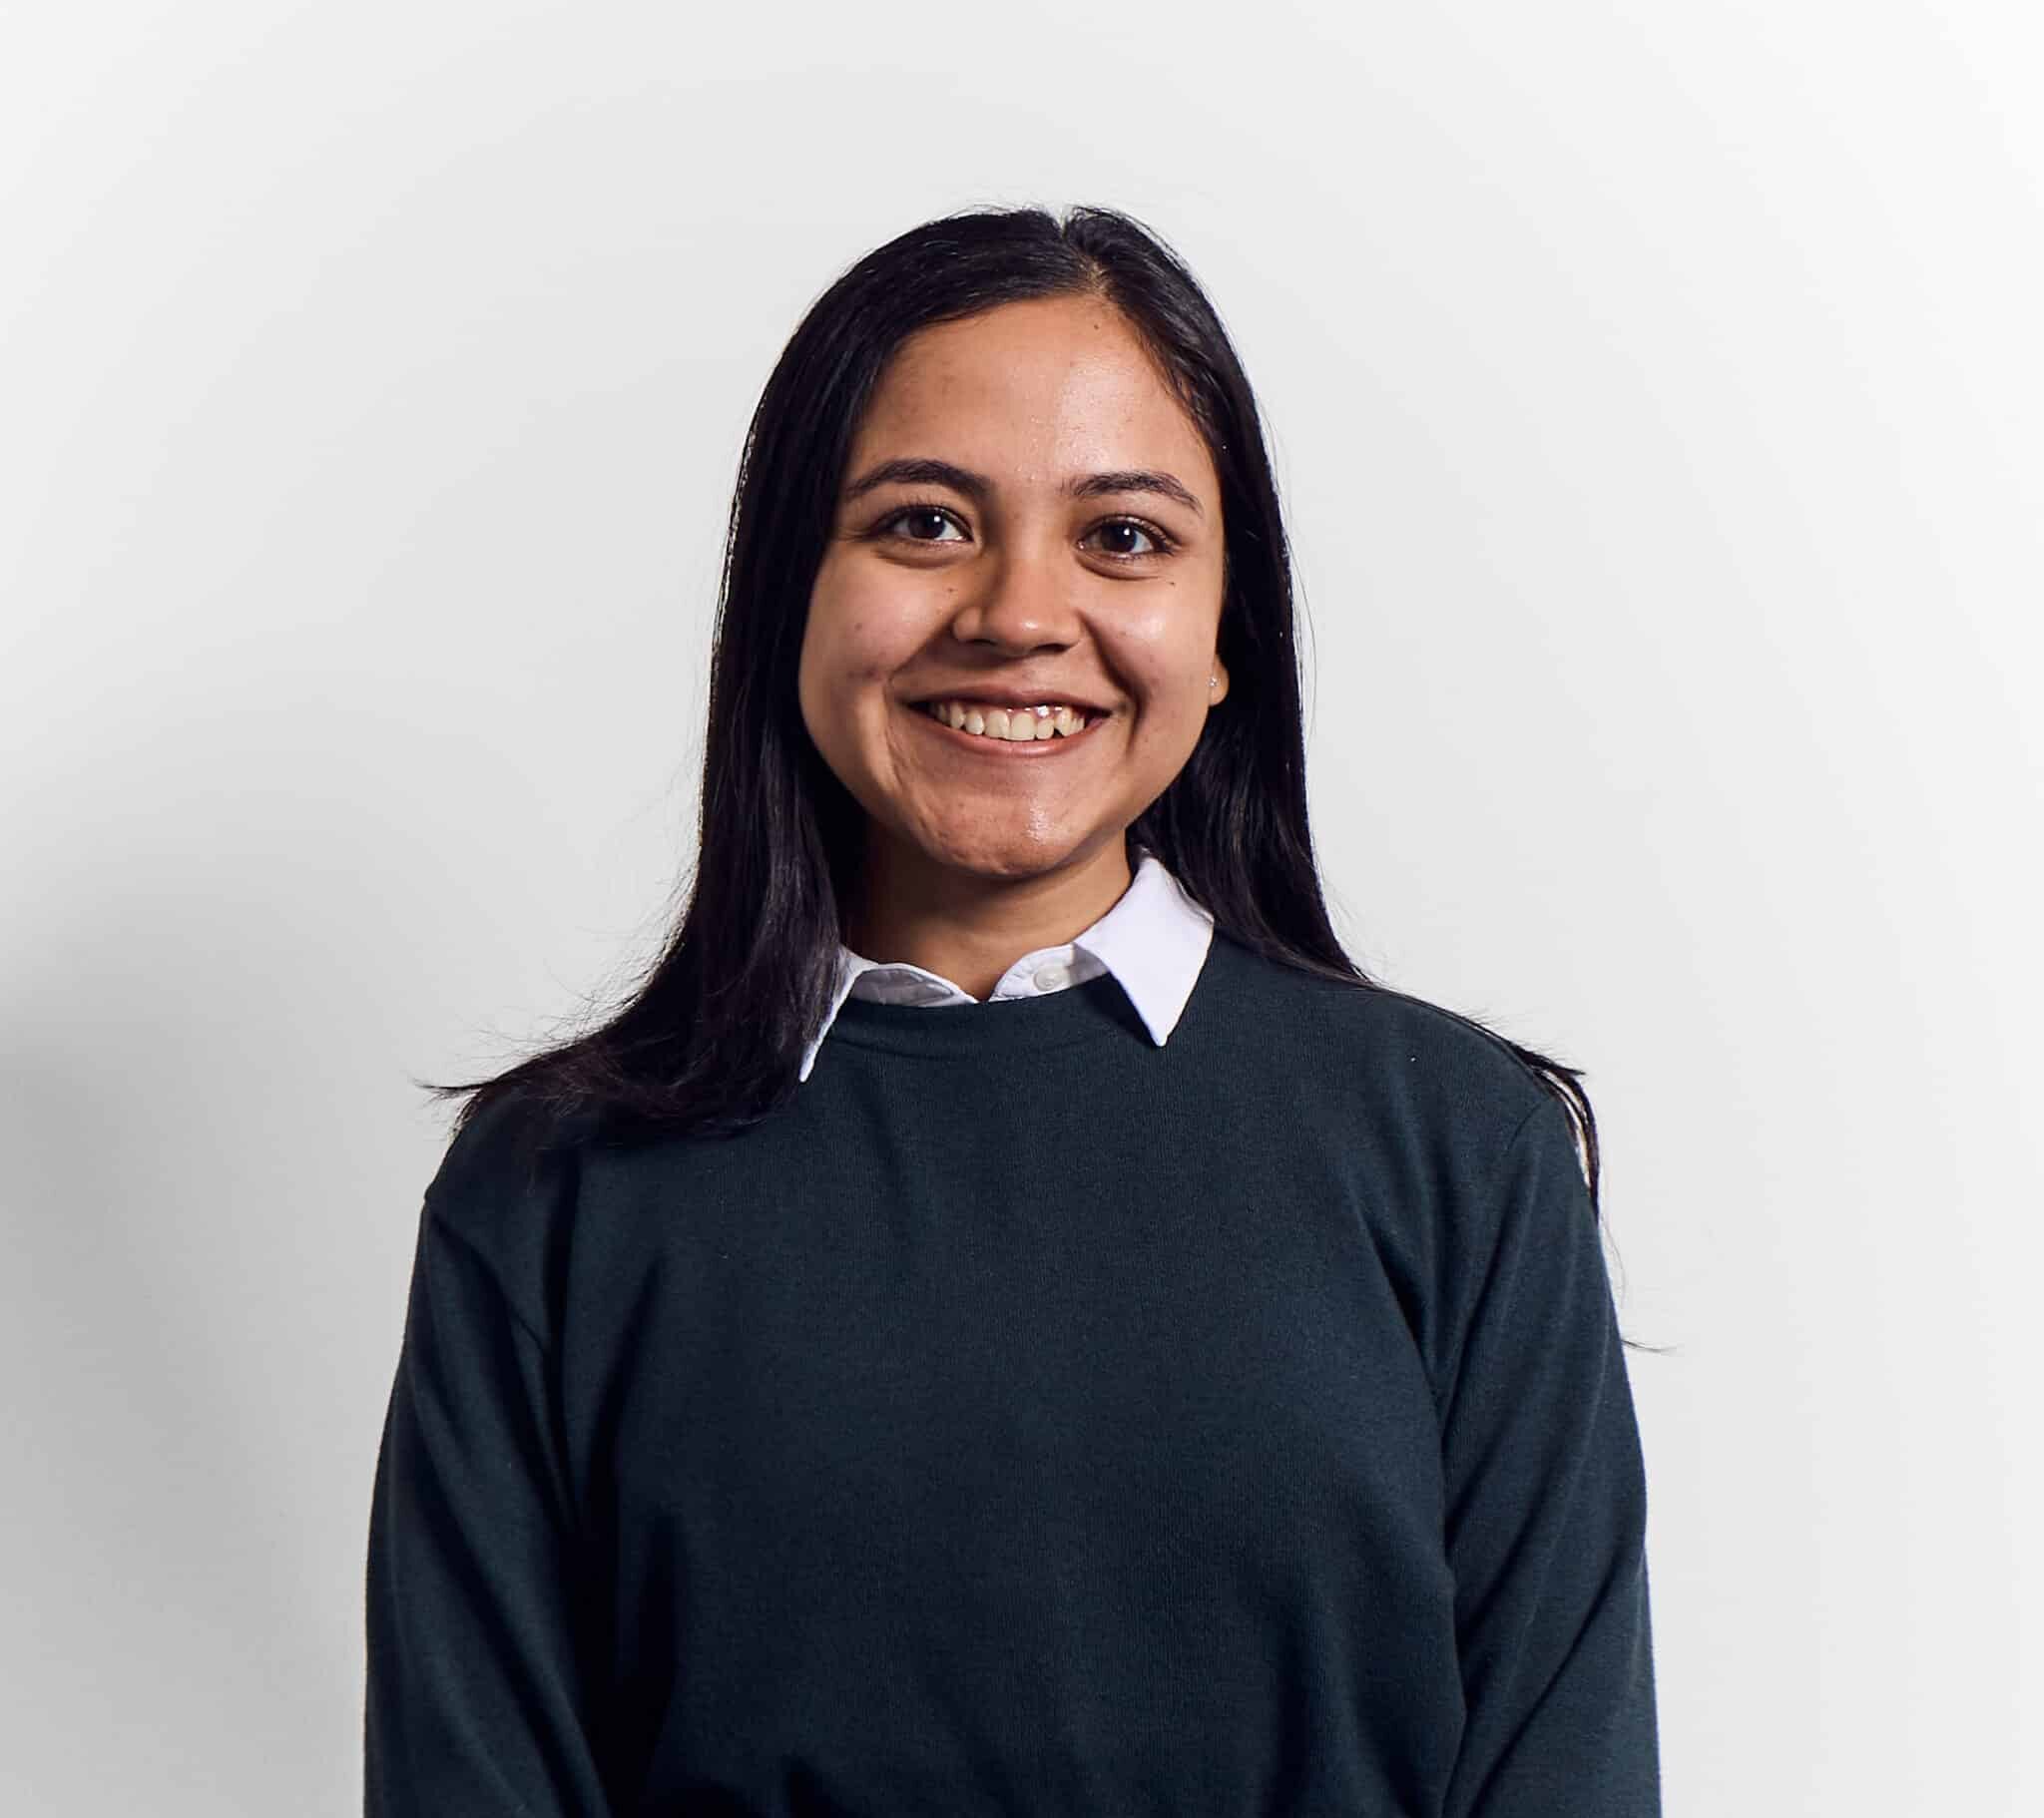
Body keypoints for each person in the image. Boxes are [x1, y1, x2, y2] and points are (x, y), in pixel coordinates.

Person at [363, 204, 1659, 1817]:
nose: (1018, 613)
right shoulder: (551, 1191)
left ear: (1227, 633)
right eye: (923, 524)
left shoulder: (1462, 1152)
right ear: (789, 599)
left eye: (1124, 536)